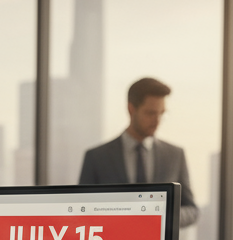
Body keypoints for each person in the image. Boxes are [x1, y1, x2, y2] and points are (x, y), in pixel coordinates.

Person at [79, 77, 198, 228]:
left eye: (161, 113)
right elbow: (81, 210)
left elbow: (192, 210)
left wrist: (164, 217)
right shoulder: (96, 157)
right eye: (150, 113)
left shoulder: (175, 155)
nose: (157, 121)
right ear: (131, 109)